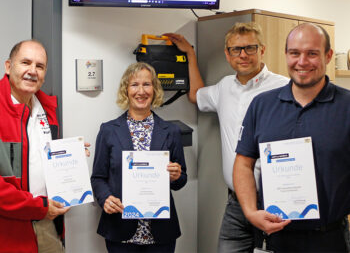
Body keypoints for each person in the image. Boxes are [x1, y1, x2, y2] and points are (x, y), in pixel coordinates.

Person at [164, 23, 289, 252]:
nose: (243, 55)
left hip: (275, 200)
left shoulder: (284, 88)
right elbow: (196, 95)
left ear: (262, 50)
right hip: (235, 202)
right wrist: (190, 54)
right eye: (235, 49)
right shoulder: (224, 88)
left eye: (250, 48)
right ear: (227, 54)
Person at [234, 23, 350, 252]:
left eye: (312, 53)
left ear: (327, 56)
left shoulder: (347, 106)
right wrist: (250, 212)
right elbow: (243, 164)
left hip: (329, 239)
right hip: (274, 237)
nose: (302, 62)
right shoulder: (262, 105)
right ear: (286, 55)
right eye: (295, 53)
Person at [91, 62, 187, 253]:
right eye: (134, 84)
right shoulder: (108, 131)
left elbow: (181, 179)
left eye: (147, 84)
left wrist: (176, 176)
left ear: (155, 89)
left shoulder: (171, 131)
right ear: (126, 90)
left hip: (160, 232)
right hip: (120, 230)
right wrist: (105, 198)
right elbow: (98, 177)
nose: (141, 91)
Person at [0, 40, 69, 253]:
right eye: (26, 63)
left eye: (39, 66)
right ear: (9, 66)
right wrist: (37, 207)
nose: (32, 71)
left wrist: (68, 156)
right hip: (8, 231)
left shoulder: (47, 109)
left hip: (47, 224)